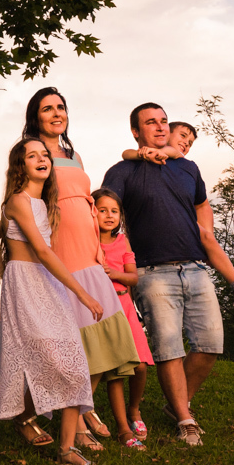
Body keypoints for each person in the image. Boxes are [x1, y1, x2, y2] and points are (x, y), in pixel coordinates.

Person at [19, 87, 144, 453]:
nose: (57, 113)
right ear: (35, 116)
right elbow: (28, 199)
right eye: (47, 109)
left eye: (61, 107)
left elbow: (87, 203)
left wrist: (100, 247)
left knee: (99, 337)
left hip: (90, 251)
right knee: (67, 340)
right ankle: (43, 419)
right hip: (60, 248)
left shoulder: (73, 154)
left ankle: (81, 411)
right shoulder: (33, 152)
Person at [101, 103, 220, 447]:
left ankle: (175, 403)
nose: (160, 127)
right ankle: (186, 418)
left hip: (196, 266)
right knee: (169, 348)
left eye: (164, 121)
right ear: (136, 132)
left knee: (210, 344)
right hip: (151, 271)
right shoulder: (124, 170)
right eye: (150, 122)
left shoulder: (187, 167)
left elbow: (201, 202)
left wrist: (207, 231)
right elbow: (105, 207)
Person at [0, 138, 103, 465]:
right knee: (43, 356)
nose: (42, 159)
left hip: (48, 284)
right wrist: (6, 270)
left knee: (74, 360)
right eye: (31, 155)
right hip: (26, 284)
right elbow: (43, 251)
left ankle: (66, 450)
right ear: (20, 167)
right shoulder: (18, 200)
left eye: (45, 154)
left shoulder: (47, 206)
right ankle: (24, 418)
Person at [122, 121, 234, 307]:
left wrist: (206, 235)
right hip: (150, 231)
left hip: (180, 223)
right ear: (165, 134)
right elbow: (125, 154)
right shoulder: (142, 162)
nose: (186, 143)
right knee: (126, 258)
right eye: (183, 136)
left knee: (206, 236)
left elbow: (202, 204)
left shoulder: (182, 164)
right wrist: (141, 153)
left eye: (190, 142)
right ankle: (130, 309)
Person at [93, 187, 153, 444]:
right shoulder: (88, 242)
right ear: (91, 213)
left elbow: (133, 278)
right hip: (102, 310)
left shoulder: (122, 241)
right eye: (102, 210)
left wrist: (113, 274)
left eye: (114, 211)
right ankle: (123, 430)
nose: (109, 215)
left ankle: (134, 409)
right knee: (117, 370)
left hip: (125, 306)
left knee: (139, 365)